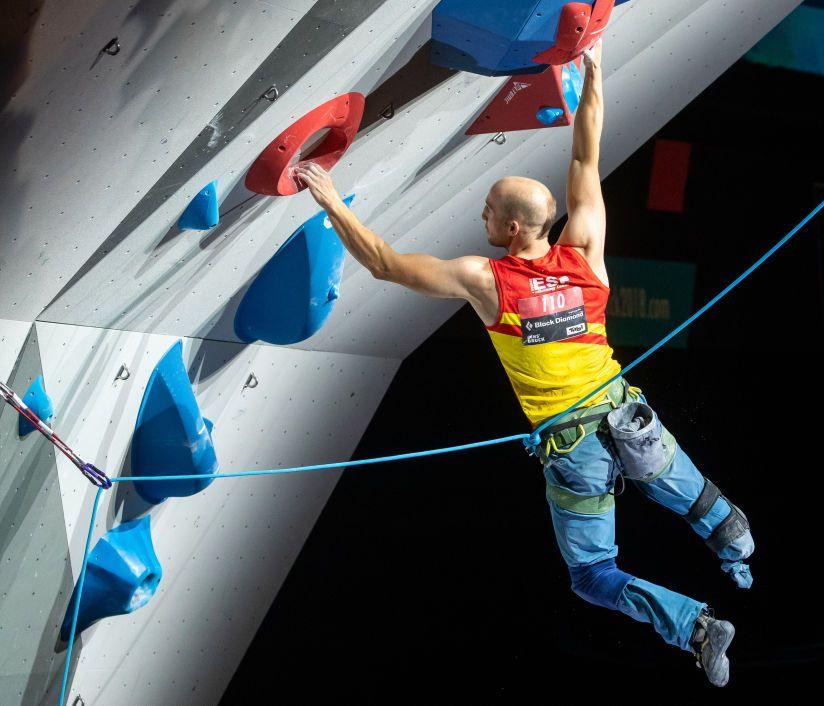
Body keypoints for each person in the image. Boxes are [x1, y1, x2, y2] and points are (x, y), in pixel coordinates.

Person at [295, 41, 753, 687]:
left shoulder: (488, 281)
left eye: (488, 209)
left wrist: (331, 199)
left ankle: (697, 626)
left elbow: (385, 265)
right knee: (694, 498)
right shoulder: (585, 247)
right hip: (631, 418)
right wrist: (596, 71)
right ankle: (737, 549)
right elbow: (586, 153)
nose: (480, 213)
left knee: (594, 577)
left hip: (577, 449)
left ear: (512, 230)